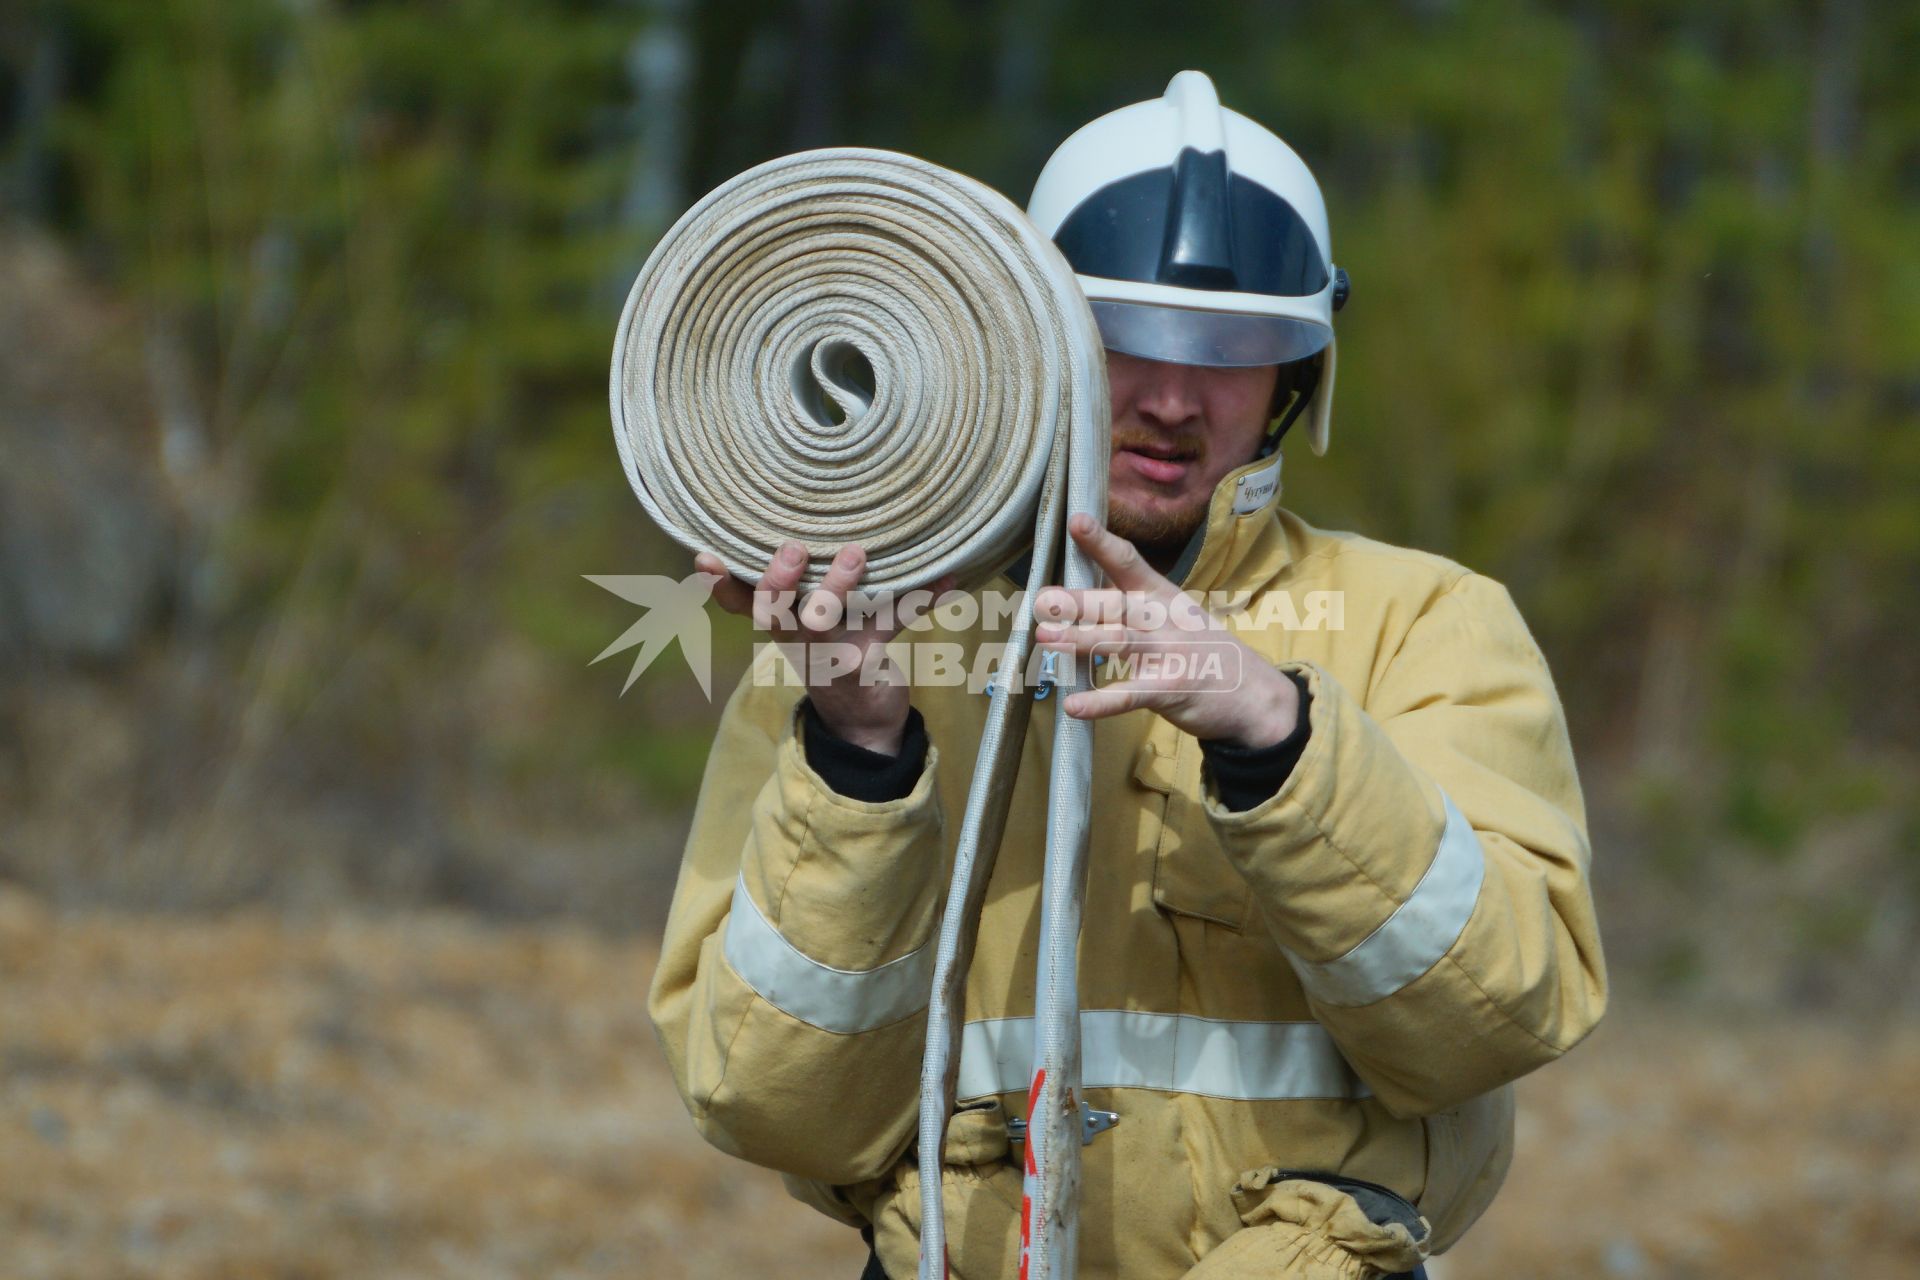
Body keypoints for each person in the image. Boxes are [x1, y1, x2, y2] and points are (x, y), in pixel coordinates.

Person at [648, 71, 1606, 1280]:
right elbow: (770, 1106)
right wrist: (861, 755)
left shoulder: (1428, 623)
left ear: (1297, 377)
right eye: (1121, 335)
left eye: (1230, 347)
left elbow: (1501, 1019)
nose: (1168, 396)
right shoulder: (865, 648)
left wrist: (1277, 736)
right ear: (1032, 343)